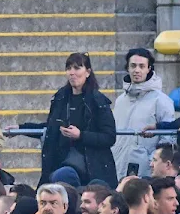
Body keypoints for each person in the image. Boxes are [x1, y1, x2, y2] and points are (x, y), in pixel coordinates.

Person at [14, 53, 116, 187]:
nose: (72, 73)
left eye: (77, 68)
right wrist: (21, 128)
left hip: (91, 167)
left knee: (62, 177)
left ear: (88, 72)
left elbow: (109, 136)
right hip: (60, 160)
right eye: (69, 68)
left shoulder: (98, 101)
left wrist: (81, 135)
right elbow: (50, 127)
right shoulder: (60, 98)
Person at [112, 48, 173, 178]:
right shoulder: (120, 100)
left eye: (141, 66)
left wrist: (151, 161)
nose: (137, 70)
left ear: (149, 68)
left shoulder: (161, 100)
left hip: (146, 171)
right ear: (127, 68)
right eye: (133, 66)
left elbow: (168, 138)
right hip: (118, 166)